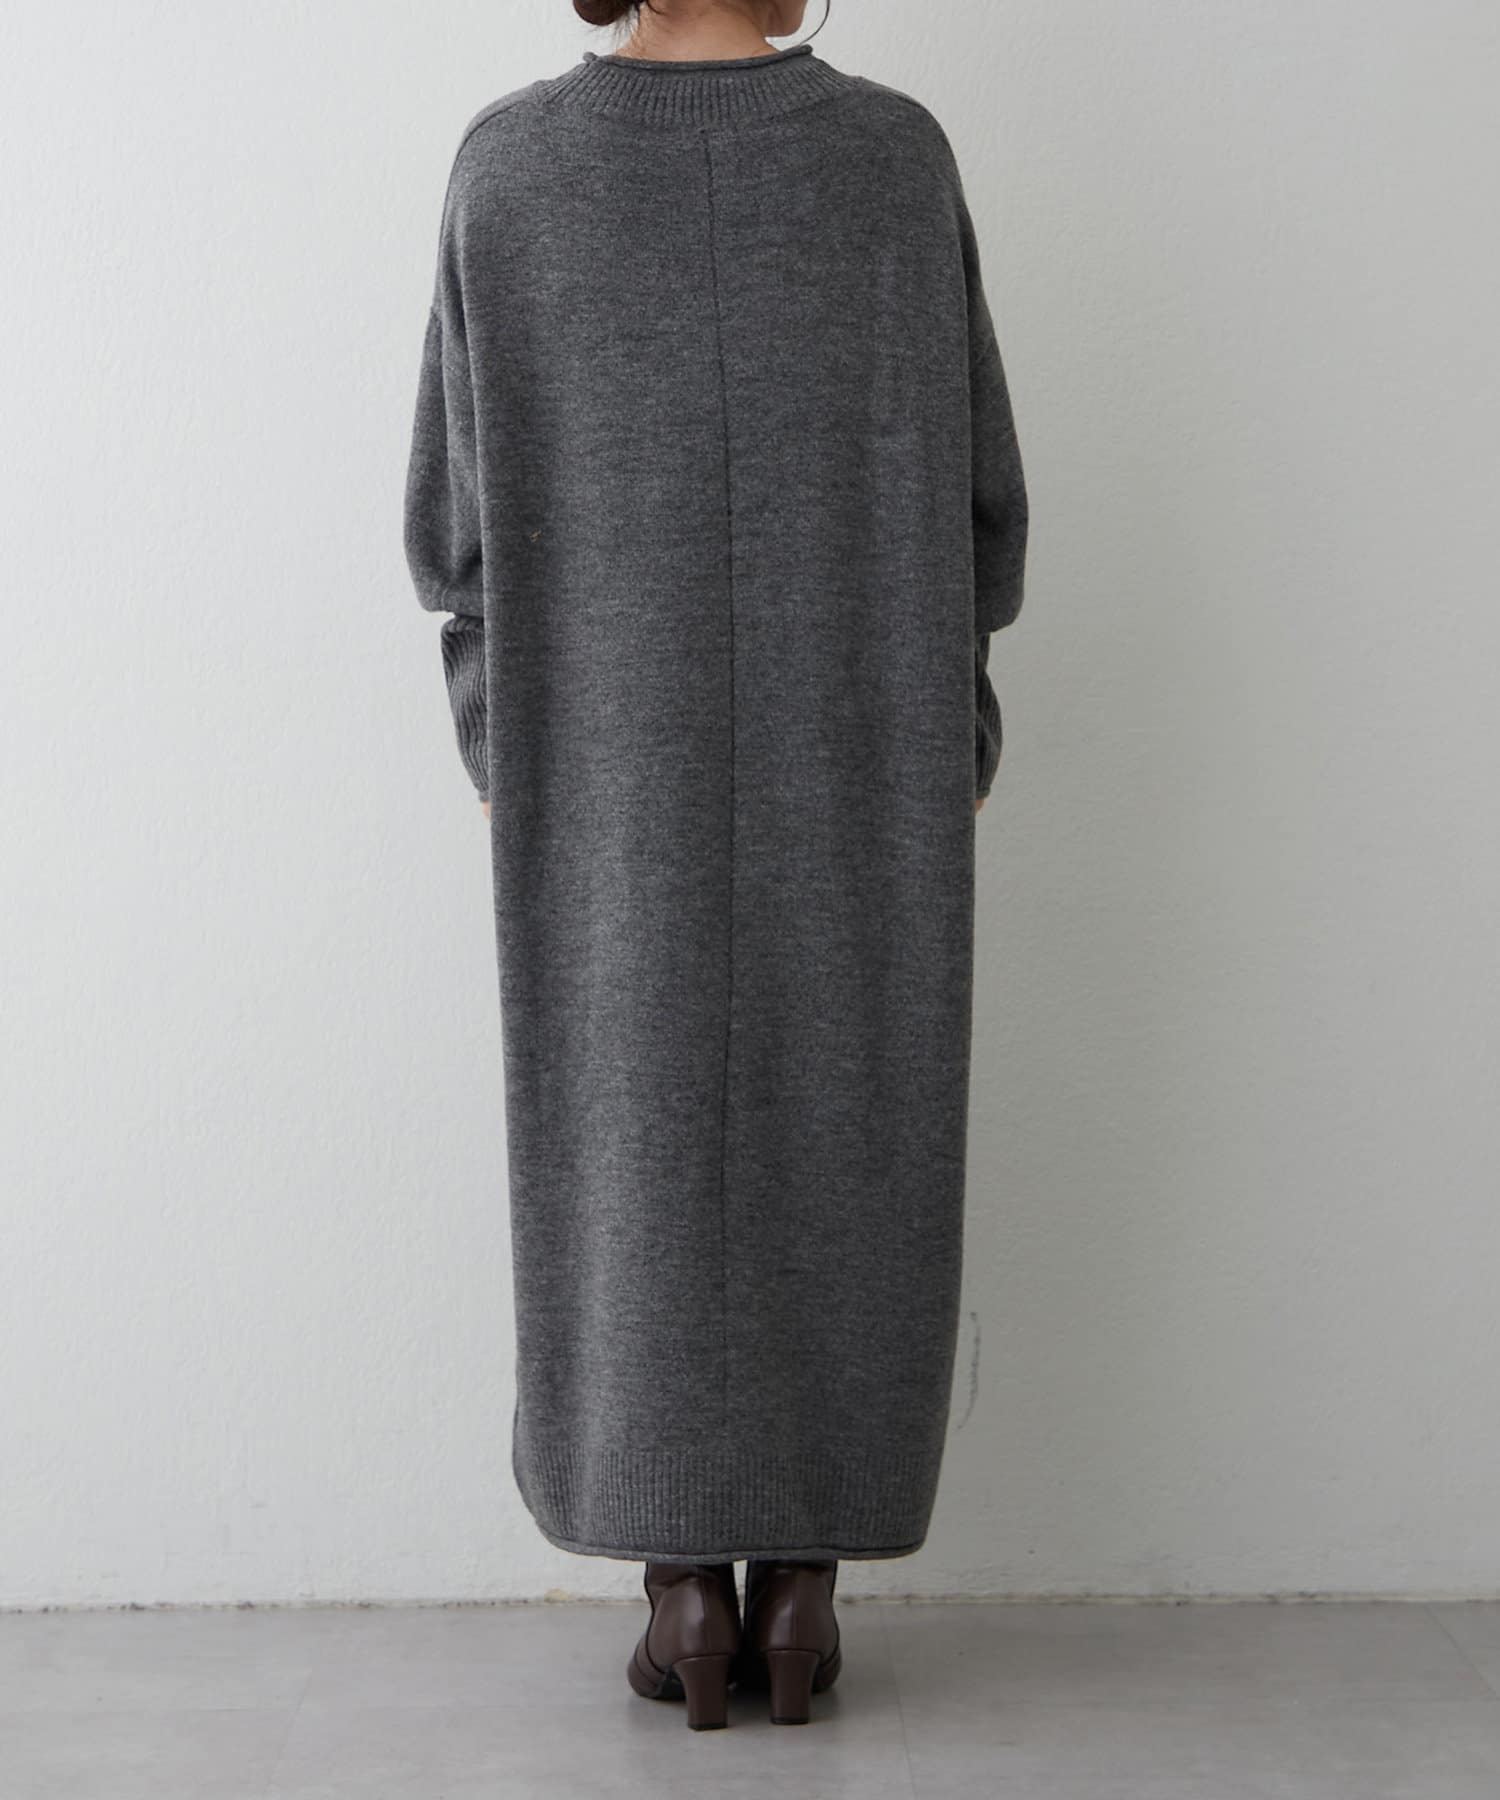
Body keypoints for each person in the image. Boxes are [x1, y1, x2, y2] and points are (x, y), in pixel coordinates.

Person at [403, 0, 1028, 1730]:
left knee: (628, 1132)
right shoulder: (892, 162)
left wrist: (502, 748)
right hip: (869, 737)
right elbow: (982, 509)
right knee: (855, 1115)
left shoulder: (510, 173)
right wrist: (955, 734)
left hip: (601, 754)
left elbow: (457, 533)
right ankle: (801, 1594)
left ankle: (682, 1588)